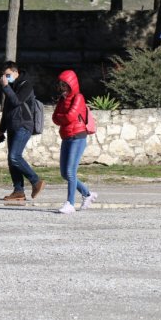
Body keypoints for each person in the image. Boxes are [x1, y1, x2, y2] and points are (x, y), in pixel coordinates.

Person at [0, 61, 46, 201]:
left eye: (8, 75)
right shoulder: (11, 86)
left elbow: (17, 101)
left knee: (14, 156)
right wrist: (1, 130)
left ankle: (36, 181)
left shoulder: (26, 85)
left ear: (16, 72)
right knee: (11, 160)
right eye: (4, 75)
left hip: (24, 125)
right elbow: (7, 109)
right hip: (12, 125)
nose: (6, 77)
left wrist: (6, 87)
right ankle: (18, 191)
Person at [52, 70, 98, 214]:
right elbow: (55, 118)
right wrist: (62, 117)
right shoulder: (62, 99)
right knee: (64, 174)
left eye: (65, 85)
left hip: (78, 137)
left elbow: (71, 116)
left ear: (71, 84)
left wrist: (62, 117)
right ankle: (88, 194)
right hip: (66, 136)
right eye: (61, 85)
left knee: (71, 172)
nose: (63, 88)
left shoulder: (79, 97)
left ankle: (70, 204)